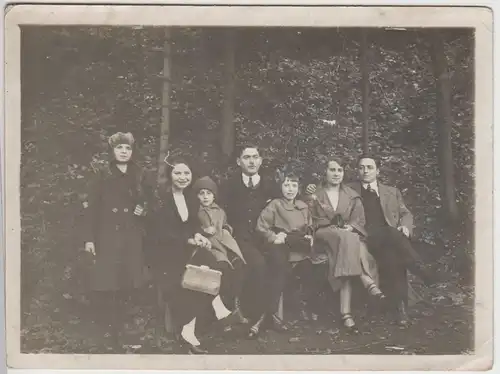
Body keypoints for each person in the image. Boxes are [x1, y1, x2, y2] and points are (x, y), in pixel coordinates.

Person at [145, 158, 237, 354]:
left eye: (187, 173)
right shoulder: (161, 198)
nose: (183, 177)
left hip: (185, 249)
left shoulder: (189, 198)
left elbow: (193, 225)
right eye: (178, 173)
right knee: (197, 274)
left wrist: (198, 235)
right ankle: (216, 310)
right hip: (164, 252)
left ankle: (189, 330)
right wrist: (188, 240)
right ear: (170, 174)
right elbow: (159, 231)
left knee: (213, 264)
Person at [81, 132, 150, 348]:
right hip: (108, 236)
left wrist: (144, 209)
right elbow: (91, 209)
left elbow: (149, 200)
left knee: (129, 284)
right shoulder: (102, 175)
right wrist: (89, 239)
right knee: (108, 285)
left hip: (131, 236)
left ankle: (129, 333)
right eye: (120, 148)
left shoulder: (139, 175)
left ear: (132, 151)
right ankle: (109, 336)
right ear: (112, 151)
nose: (124, 152)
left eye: (127, 148)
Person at [305, 157, 384, 333]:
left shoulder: (351, 195)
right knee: (347, 240)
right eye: (332, 170)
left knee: (347, 248)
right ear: (325, 173)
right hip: (323, 235)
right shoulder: (315, 194)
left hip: (346, 239)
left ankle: (346, 314)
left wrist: (351, 226)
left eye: (339, 170)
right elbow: (309, 220)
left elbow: (359, 220)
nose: (336, 174)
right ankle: (367, 280)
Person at [219, 144, 286, 337]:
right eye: (247, 157)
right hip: (240, 238)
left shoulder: (270, 186)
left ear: (261, 161)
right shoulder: (230, 185)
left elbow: (280, 212)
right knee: (257, 265)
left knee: (280, 261)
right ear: (239, 161)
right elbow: (222, 214)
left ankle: (269, 313)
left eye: (255, 157)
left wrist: (278, 234)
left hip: (266, 237)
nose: (251, 161)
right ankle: (254, 316)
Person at [253, 170, 314, 338]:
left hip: (298, 247)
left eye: (294, 185)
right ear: (280, 187)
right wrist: (274, 237)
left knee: (311, 269)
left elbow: (309, 226)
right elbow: (261, 226)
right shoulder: (275, 205)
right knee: (279, 269)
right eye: (286, 185)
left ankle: (305, 309)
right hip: (280, 246)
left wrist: (309, 234)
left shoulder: (303, 206)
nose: (290, 189)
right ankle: (274, 315)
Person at [191, 176, 248, 324]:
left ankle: (234, 307)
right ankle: (221, 314)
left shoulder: (219, 210)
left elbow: (225, 224)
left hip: (223, 244)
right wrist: (203, 230)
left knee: (239, 267)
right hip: (208, 247)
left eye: (208, 193)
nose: (205, 197)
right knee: (222, 270)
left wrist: (226, 229)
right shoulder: (195, 210)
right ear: (196, 196)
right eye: (201, 193)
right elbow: (191, 229)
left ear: (214, 195)